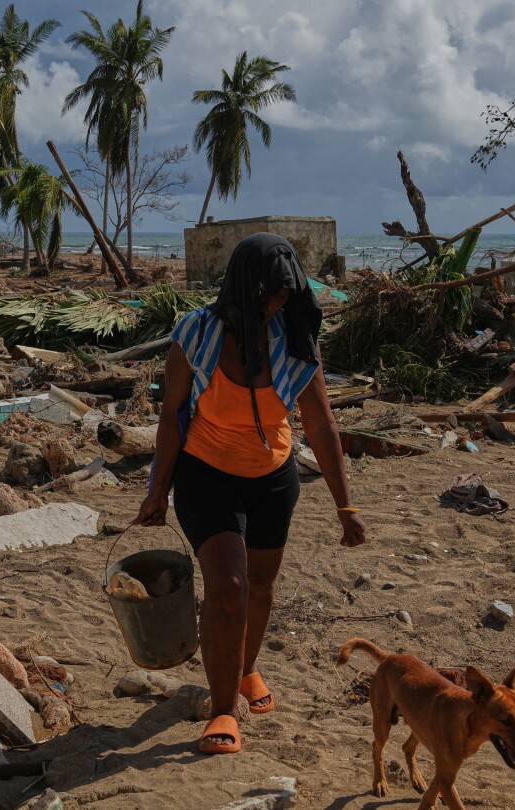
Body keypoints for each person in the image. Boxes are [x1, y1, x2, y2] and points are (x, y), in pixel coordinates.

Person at [134, 233, 365, 755]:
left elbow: (321, 425)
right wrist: (157, 490)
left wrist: (345, 507)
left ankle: (246, 669)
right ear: (242, 288)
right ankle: (223, 710)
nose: (275, 306)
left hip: (273, 478)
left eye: (284, 296)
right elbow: (172, 415)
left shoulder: (296, 340)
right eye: (267, 297)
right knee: (228, 588)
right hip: (206, 473)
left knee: (259, 587)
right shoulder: (197, 334)